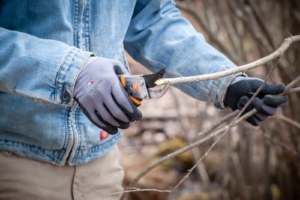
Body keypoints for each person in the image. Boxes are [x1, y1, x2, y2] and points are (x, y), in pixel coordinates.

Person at [0, 0, 288, 200]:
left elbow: (153, 19)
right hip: (11, 159)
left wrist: (227, 83)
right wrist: (70, 71)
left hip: (102, 168)